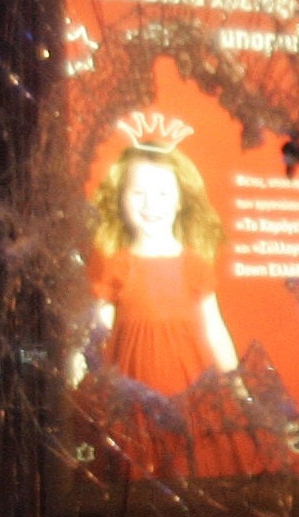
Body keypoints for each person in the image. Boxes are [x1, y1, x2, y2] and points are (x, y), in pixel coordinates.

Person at [73, 140, 273, 475]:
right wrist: (77, 359)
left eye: (164, 194)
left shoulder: (193, 265)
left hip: (190, 385)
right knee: (139, 463)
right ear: (120, 199)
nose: (152, 204)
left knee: (188, 461)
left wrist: (236, 383)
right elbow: (98, 323)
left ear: (181, 200)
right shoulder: (119, 265)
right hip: (135, 386)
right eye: (138, 193)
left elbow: (214, 328)